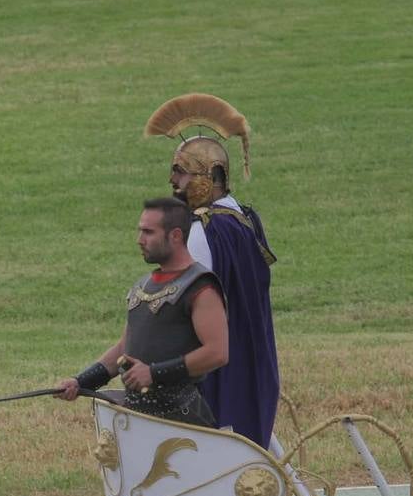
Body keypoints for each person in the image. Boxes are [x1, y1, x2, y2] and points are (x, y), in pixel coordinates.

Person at [144, 93, 279, 448]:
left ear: (212, 176)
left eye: (182, 172)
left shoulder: (204, 229)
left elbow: (185, 311)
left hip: (218, 377)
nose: (173, 180)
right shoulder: (245, 218)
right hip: (256, 365)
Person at [57, 197, 227, 426]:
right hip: (139, 418)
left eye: (148, 232)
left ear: (175, 236)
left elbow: (217, 352)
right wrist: (80, 382)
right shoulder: (144, 285)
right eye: (140, 231)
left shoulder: (200, 286)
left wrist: (154, 373)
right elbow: (123, 349)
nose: (140, 240)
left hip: (183, 422)